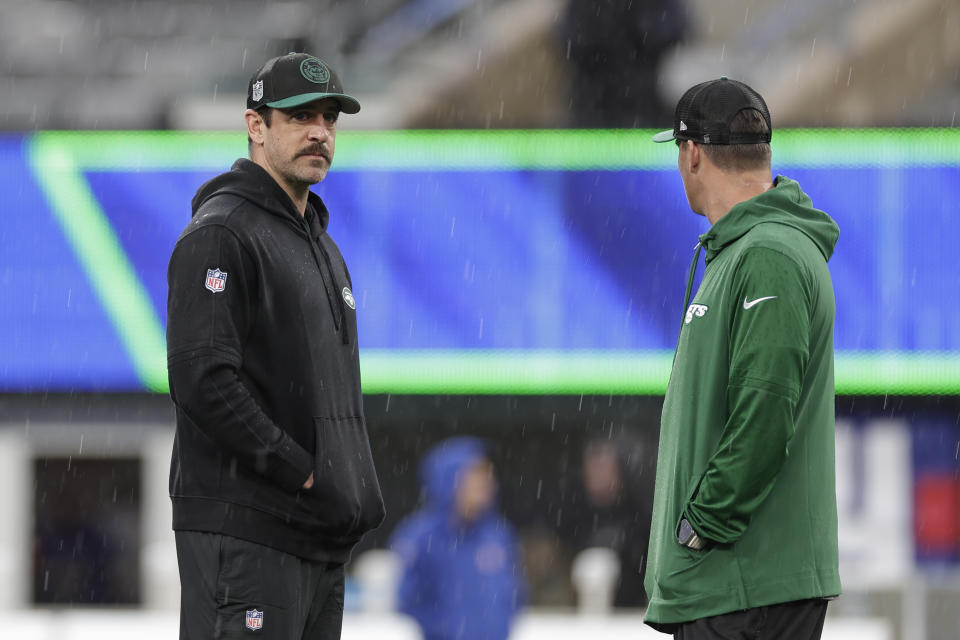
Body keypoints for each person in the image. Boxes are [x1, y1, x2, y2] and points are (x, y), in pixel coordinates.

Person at [166, 52, 385, 640]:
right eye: (300, 116)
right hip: (249, 536)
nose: (321, 132)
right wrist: (303, 472)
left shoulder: (321, 242)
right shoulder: (222, 232)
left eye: (330, 119)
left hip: (314, 542)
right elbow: (203, 380)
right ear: (256, 126)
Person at [643, 78, 841, 639]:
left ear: (692, 154)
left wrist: (700, 527)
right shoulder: (751, 250)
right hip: (738, 586)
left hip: (745, 587)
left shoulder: (769, 253)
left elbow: (764, 412)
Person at [389, 437, 526, 640]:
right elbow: (406, 602)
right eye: (475, 476)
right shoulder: (419, 537)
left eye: (488, 475)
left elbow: (516, 597)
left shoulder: (499, 535)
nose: (486, 483)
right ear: (448, 479)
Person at [563, 437, 653, 608]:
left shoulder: (637, 518)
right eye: (593, 468)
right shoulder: (572, 516)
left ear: (618, 472)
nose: (598, 475)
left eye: (603, 468)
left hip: (628, 615)